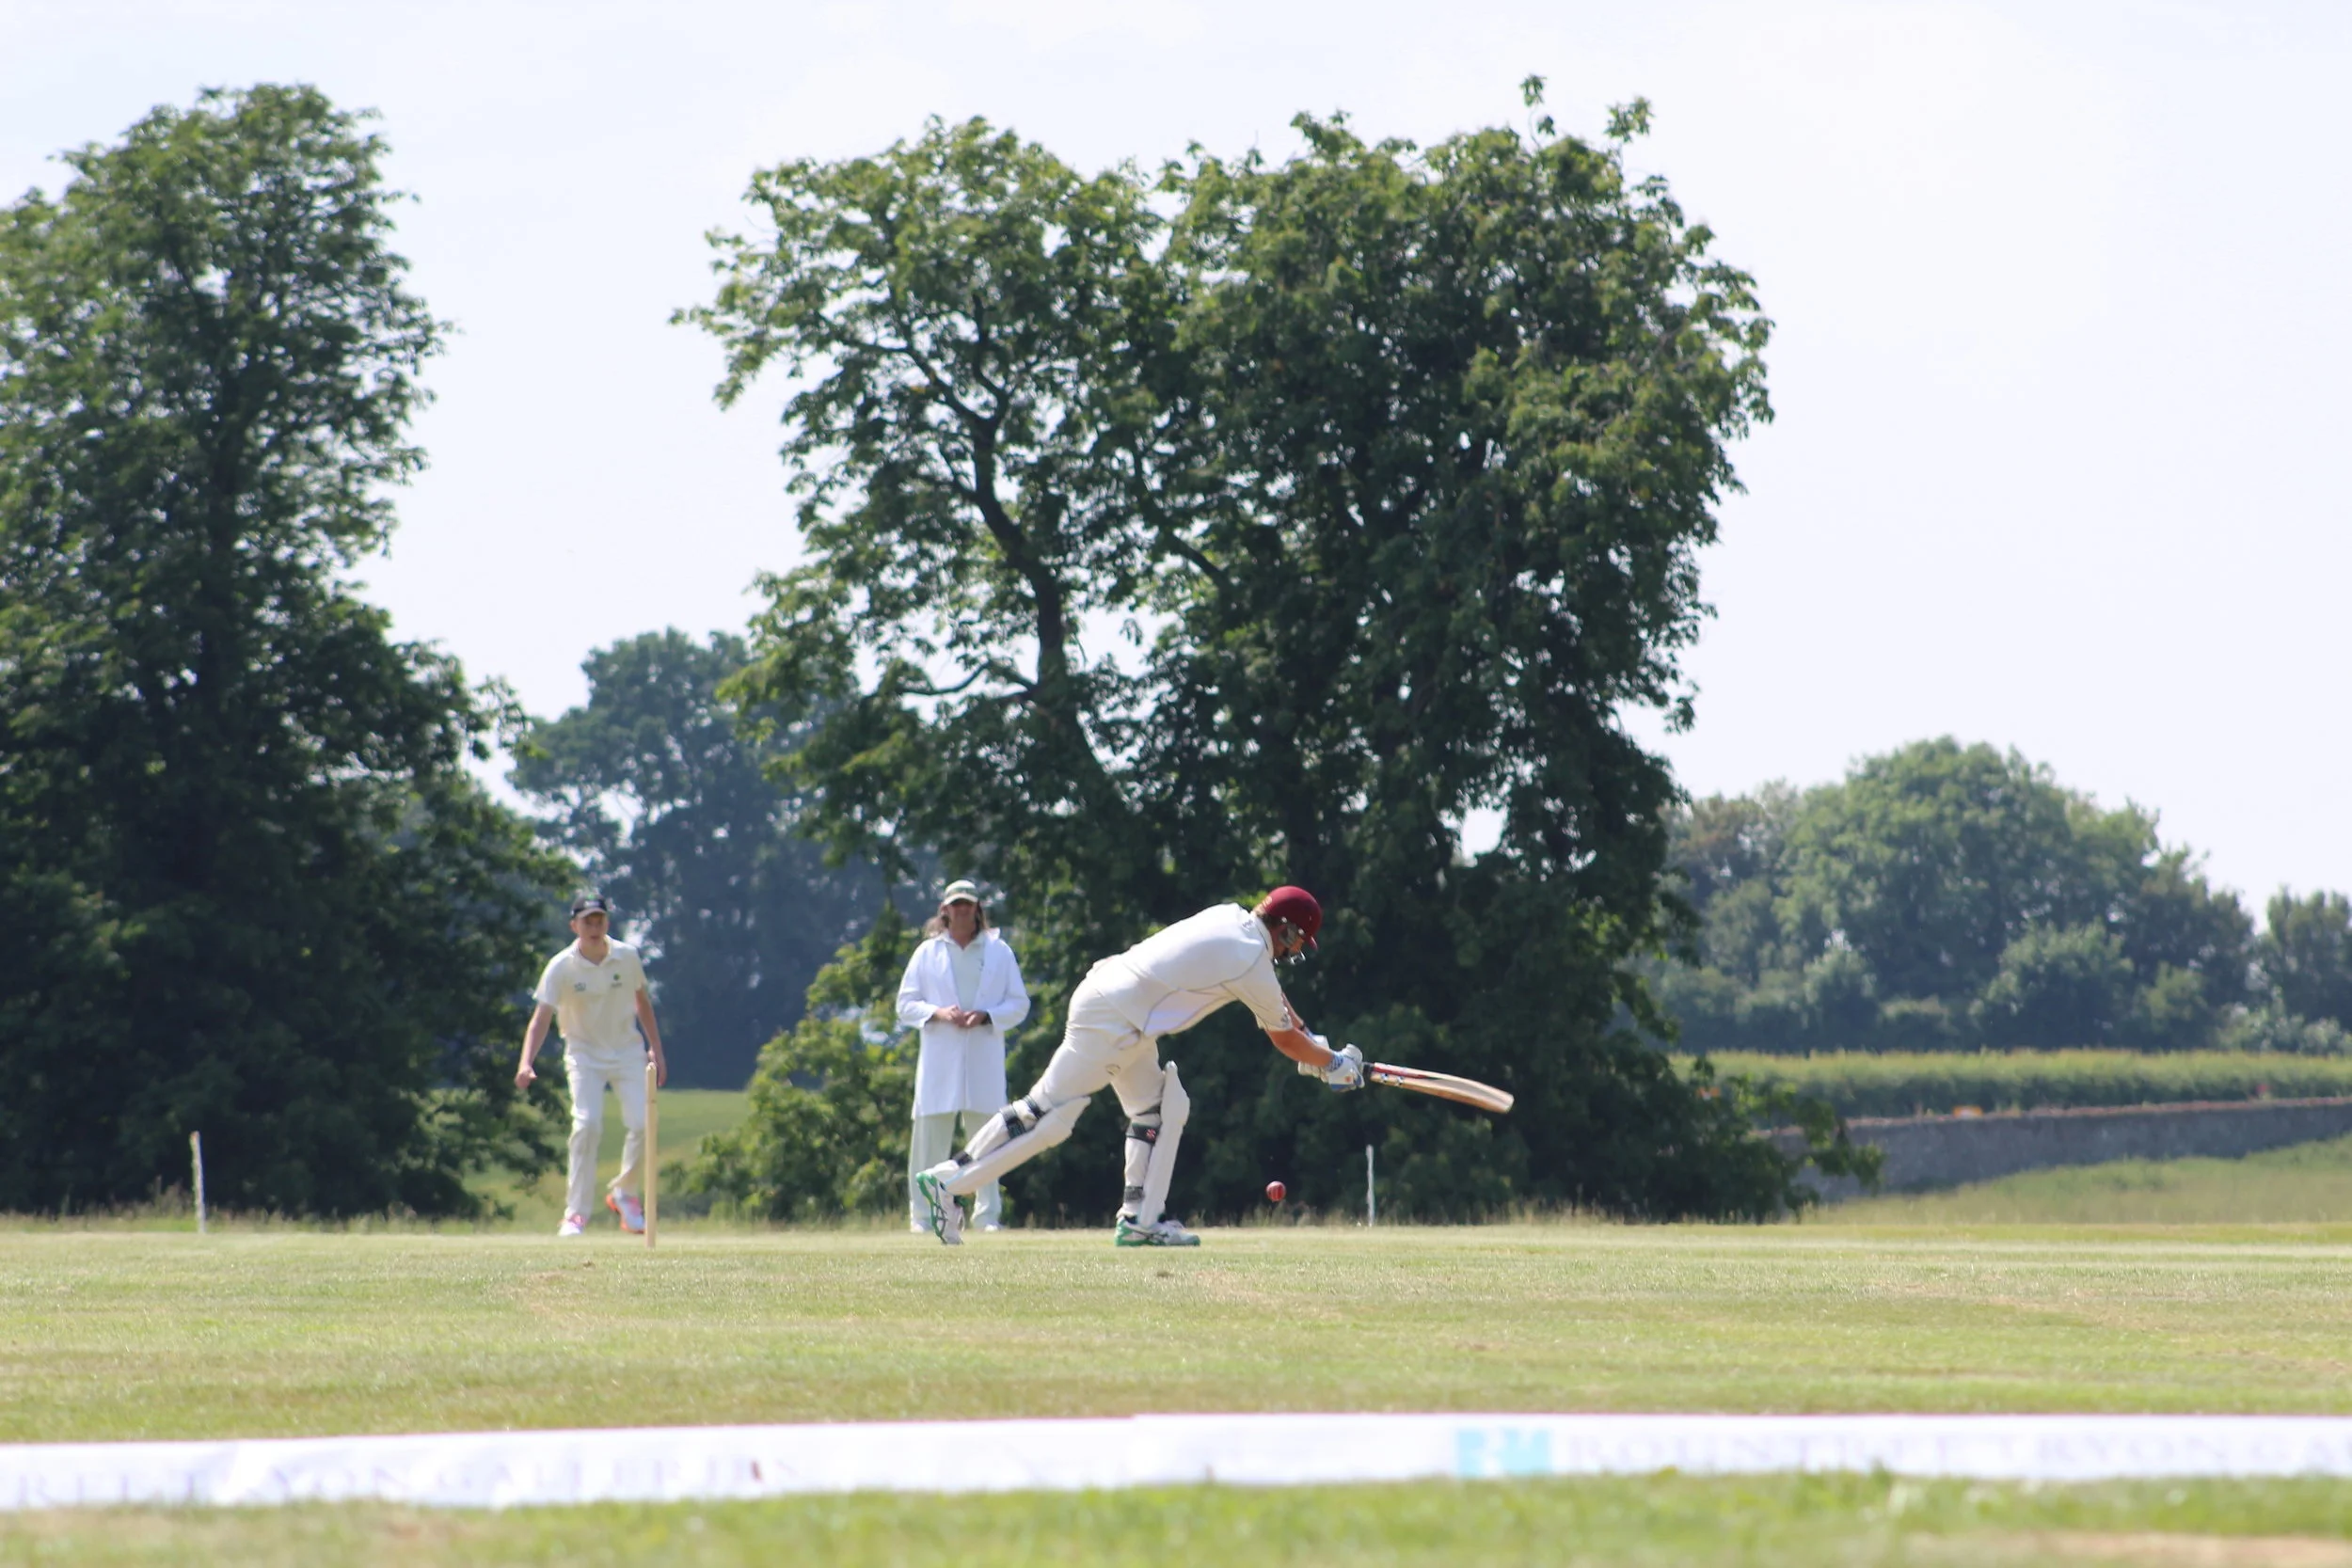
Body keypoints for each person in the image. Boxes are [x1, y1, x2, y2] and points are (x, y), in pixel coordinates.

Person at [914, 886, 1362, 1248]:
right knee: (1048, 1113)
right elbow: (1283, 1036)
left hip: (1119, 1007)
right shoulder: (1250, 961)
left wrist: (1316, 1048)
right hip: (1116, 1019)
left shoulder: (1230, 916)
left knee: (1159, 1109)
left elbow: (1282, 1014)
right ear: (1284, 931)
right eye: (1298, 942)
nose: (1296, 951)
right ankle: (949, 1182)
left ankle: (1139, 1219)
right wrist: (1333, 1062)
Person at [516, 894, 670, 1237]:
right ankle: (575, 1215)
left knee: (645, 1123)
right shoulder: (561, 966)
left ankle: (625, 1194)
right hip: (583, 1054)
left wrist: (656, 1051)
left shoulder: (627, 957)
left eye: (599, 920)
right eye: (587, 921)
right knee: (587, 1126)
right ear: (575, 926)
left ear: (607, 923)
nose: (594, 927)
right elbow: (541, 1019)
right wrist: (526, 1061)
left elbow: (642, 1003)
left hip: (627, 1050)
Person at [896, 879, 1031, 1233]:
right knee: (928, 1143)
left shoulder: (998, 951)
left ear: (977, 909)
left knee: (988, 1141)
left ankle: (988, 1215)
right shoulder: (927, 953)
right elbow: (905, 1005)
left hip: (983, 1057)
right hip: (940, 1060)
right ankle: (922, 1217)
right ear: (944, 910)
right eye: (955, 905)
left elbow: (1019, 1003)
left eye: (967, 904)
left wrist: (987, 1015)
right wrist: (939, 1013)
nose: (961, 910)